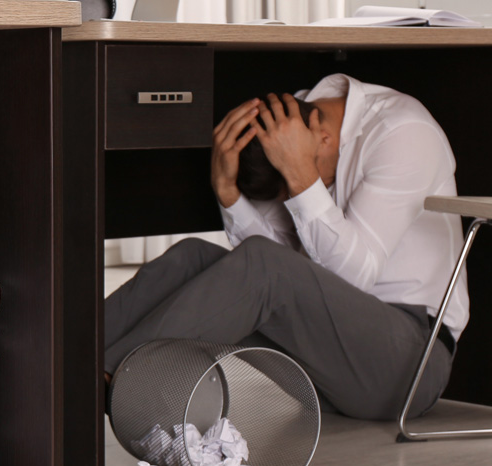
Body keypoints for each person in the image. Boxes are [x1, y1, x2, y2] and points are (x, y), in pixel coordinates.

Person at [105, 73, 468, 421]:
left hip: (412, 364)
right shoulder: (285, 132)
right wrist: (228, 194)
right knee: (193, 257)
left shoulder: (403, 131)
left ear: (323, 139)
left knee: (264, 265)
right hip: (327, 372)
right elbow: (283, 274)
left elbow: (346, 277)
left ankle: (110, 387)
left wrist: (301, 173)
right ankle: (64, 363)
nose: (308, 189)